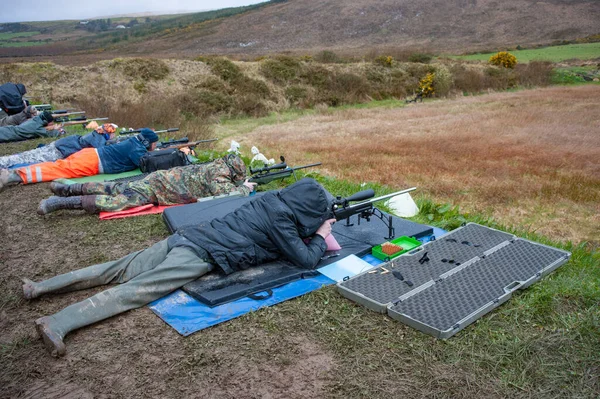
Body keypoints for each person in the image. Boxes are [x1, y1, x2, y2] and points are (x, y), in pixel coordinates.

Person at [22, 178, 336, 357]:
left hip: (188, 237)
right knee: (136, 291)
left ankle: (40, 287)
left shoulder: (271, 201)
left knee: (116, 268)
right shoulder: (282, 220)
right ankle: (58, 322)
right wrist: (321, 235)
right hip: (199, 253)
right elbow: (306, 260)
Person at [37, 153, 258, 215]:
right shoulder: (219, 177)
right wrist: (243, 188)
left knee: (114, 187)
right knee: (116, 202)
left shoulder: (216, 165)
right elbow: (226, 195)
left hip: (156, 179)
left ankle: (65, 188)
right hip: (155, 189)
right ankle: (59, 202)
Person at [0, 128, 159, 192]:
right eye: (154, 143)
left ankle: (13, 172)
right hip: (92, 162)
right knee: (55, 169)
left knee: (56, 166)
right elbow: (149, 163)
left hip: (89, 155)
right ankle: (12, 175)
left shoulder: (133, 142)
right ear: (147, 142)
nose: (154, 146)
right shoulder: (137, 150)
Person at [0, 123, 118, 169]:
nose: (114, 135)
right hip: (59, 151)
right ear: (109, 132)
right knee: (30, 161)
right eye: (113, 133)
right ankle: (4, 166)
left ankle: (3, 161)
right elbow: (100, 151)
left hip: (58, 145)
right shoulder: (98, 139)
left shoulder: (94, 133)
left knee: (26, 155)